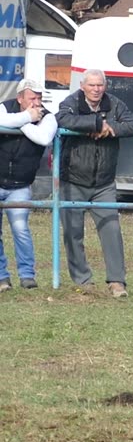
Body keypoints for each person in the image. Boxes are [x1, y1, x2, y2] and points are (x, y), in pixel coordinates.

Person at [56, 69, 133, 299]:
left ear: (105, 86)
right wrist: (95, 124)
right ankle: (83, 280)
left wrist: (110, 128)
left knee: (112, 230)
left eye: (100, 85)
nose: (96, 89)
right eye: (92, 85)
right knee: (73, 233)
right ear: (83, 86)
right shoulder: (70, 101)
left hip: (104, 182)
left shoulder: (114, 103)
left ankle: (117, 281)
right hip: (73, 180)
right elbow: (62, 119)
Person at [0, 79, 56, 291]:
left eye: (39, 97)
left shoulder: (47, 116)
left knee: (20, 229)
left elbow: (43, 138)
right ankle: (2, 278)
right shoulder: (4, 107)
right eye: (32, 97)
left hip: (21, 184)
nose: (37, 102)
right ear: (20, 98)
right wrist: (27, 118)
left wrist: (18, 123)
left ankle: (27, 275)